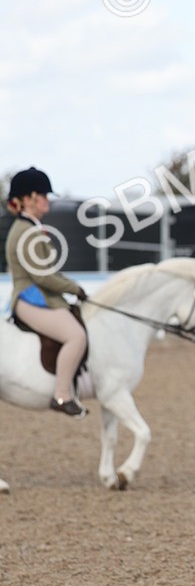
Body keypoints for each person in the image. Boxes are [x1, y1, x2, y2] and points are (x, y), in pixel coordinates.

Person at [5, 167, 90, 418]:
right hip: (30, 298)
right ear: (29, 198)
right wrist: (74, 288)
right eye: (43, 195)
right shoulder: (25, 231)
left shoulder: (32, 227)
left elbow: (49, 270)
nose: (47, 200)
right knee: (76, 336)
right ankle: (61, 395)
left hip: (41, 295)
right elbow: (43, 276)